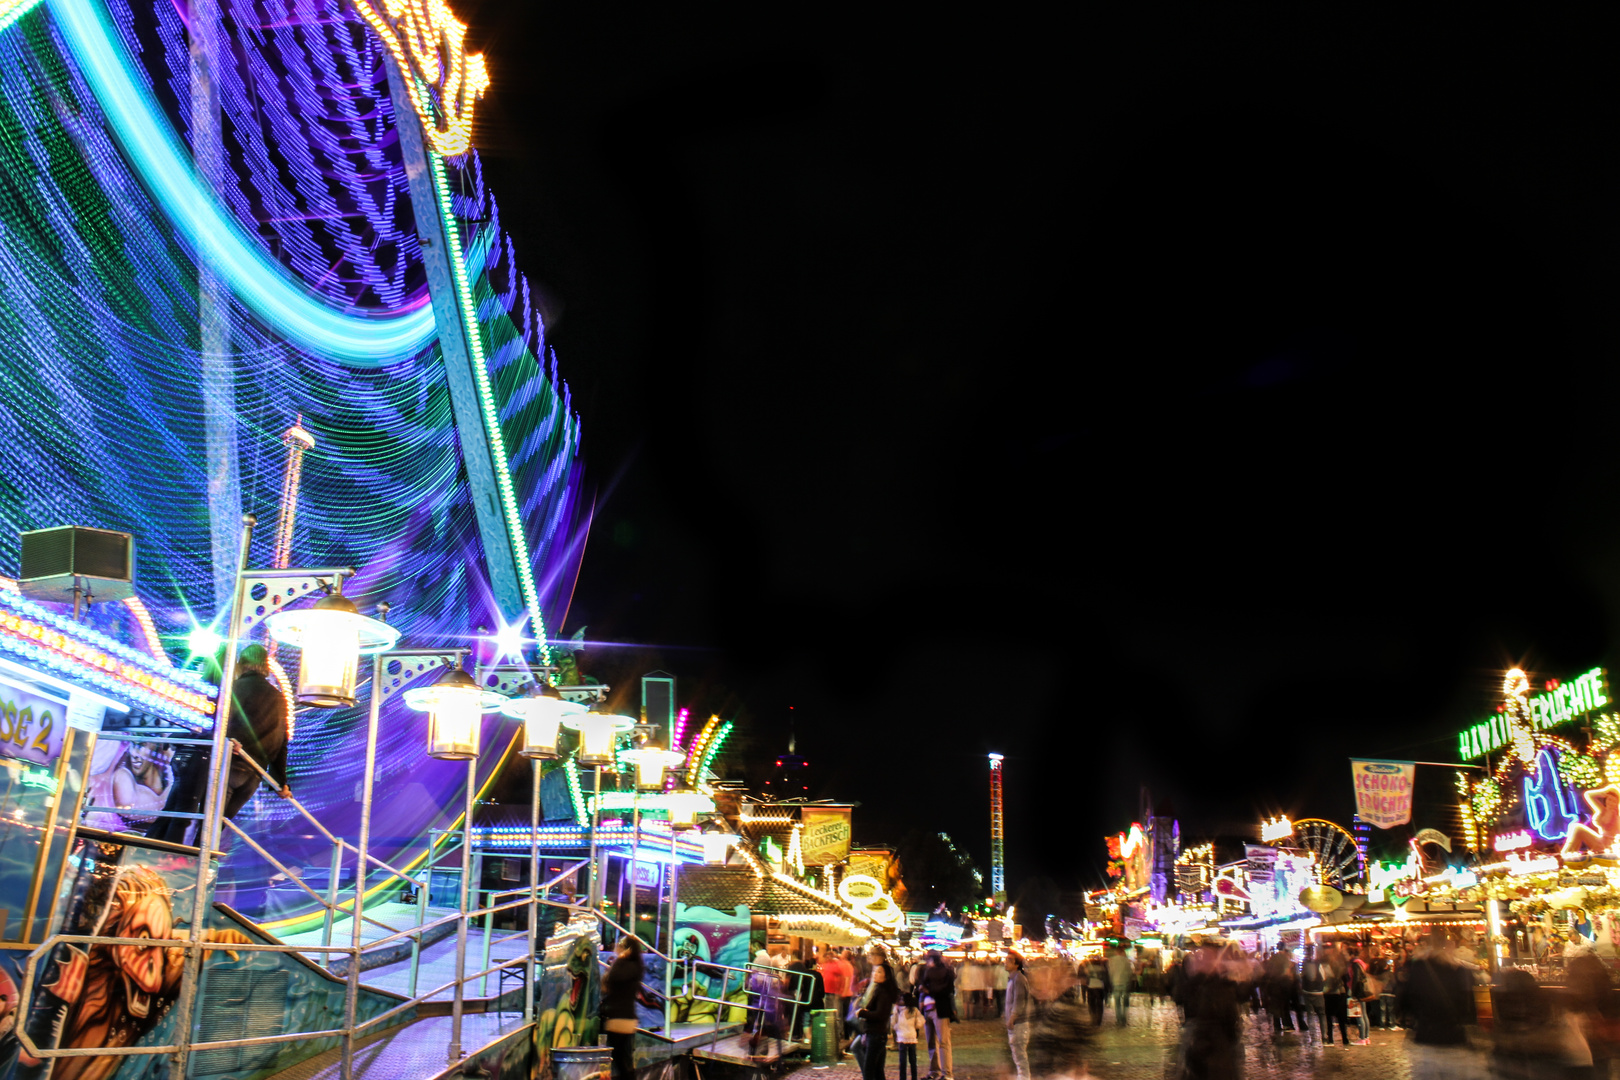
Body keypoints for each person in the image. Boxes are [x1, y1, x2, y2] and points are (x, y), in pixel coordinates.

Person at [1398, 932, 1478, 1079]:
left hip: (1427, 1037)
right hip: (1455, 1038)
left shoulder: (1420, 968)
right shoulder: (1462, 971)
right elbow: (1471, 1008)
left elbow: (1405, 1001)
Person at [601, 936, 644, 1080]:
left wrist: (618, 960)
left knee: (619, 1058)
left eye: (621, 945)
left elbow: (613, 978)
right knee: (623, 1057)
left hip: (620, 1018)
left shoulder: (627, 966)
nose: (617, 947)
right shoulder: (634, 966)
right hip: (624, 1017)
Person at [857, 958, 900, 1080]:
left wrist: (862, 1013)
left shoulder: (883, 993)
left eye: (879, 972)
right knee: (877, 1070)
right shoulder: (878, 990)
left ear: (886, 976)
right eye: (874, 971)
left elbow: (880, 1014)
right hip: (876, 1034)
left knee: (869, 1069)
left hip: (876, 1034)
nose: (875, 974)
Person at [919, 950, 957, 1079]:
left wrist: (928, 990)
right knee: (931, 1042)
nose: (927, 962)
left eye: (929, 959)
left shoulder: (945, 973)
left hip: (940, 1009)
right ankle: (935, 1070)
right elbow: (921, 987)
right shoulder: (927, 972)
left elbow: (947, 991)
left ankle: (947, 1073)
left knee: (943, 1042)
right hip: (928, 1008)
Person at [1003, 950, 1034, 1080]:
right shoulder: (1012, 979)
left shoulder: (1019, 979)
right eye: (1006, 959)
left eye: (1010, 960)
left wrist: (1012, 1018)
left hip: (1019, 1023)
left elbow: (1019, 1001)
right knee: (1017, 1055)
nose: (1006, 962)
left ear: (1016, 965)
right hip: (1016, 1022)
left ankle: (1024, 1077)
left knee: (1020, 1055)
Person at [819, 945, 853, 1056]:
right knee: (827, 1014)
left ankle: (838, 1036)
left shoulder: (838, 965)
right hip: (826, 992)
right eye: (826, 956)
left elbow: (845, 978)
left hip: (835, 992)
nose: (827, 957)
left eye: (829, 955)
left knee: (837, 1015)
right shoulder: (825, 965)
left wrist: (842, 990)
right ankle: (829, 1034)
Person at [1320, 943, 1353, 1047]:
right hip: (1338, 992)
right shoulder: (1339, 962)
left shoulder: (1325, 962)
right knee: (1340, 1018)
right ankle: (1344, 1039)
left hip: (1331, 992)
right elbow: (1346, 977)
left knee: (1331, 1017)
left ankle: (1331, 1039)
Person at [894, 991, 926, 1080]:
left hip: (901, 1037)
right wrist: (915, 1027)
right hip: (912, 1036)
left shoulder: (898, 1010)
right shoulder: (914, 1010)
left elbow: (893, 1022)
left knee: (902, 1061)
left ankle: (902, 1078)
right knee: (913, 1060)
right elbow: (920, 1022)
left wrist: (897, 1027)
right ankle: (914, 1077)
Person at [1106, 945, 1134, 1027]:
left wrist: (1111, 981)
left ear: (1116, 952)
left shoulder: (1111, 961)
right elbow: (1130, 972)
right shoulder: (1126, 961)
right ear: (1122, 952)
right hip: (1125, 983)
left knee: (1117, 1003)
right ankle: (1124, 1019)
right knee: (1125, 1002)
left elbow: (1110, 972)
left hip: (1116, 983)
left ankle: (1119, 1019)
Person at [1082, 954, 1110, 1027]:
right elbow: (1105, 979)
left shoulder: (1089, 968)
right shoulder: (1102, 968)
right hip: (1100, 987)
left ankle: (1093, 1018)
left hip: (1091, 987)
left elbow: (1086, 978)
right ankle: (1098, 1021)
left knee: (1091, 1004)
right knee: (1100, 1005)